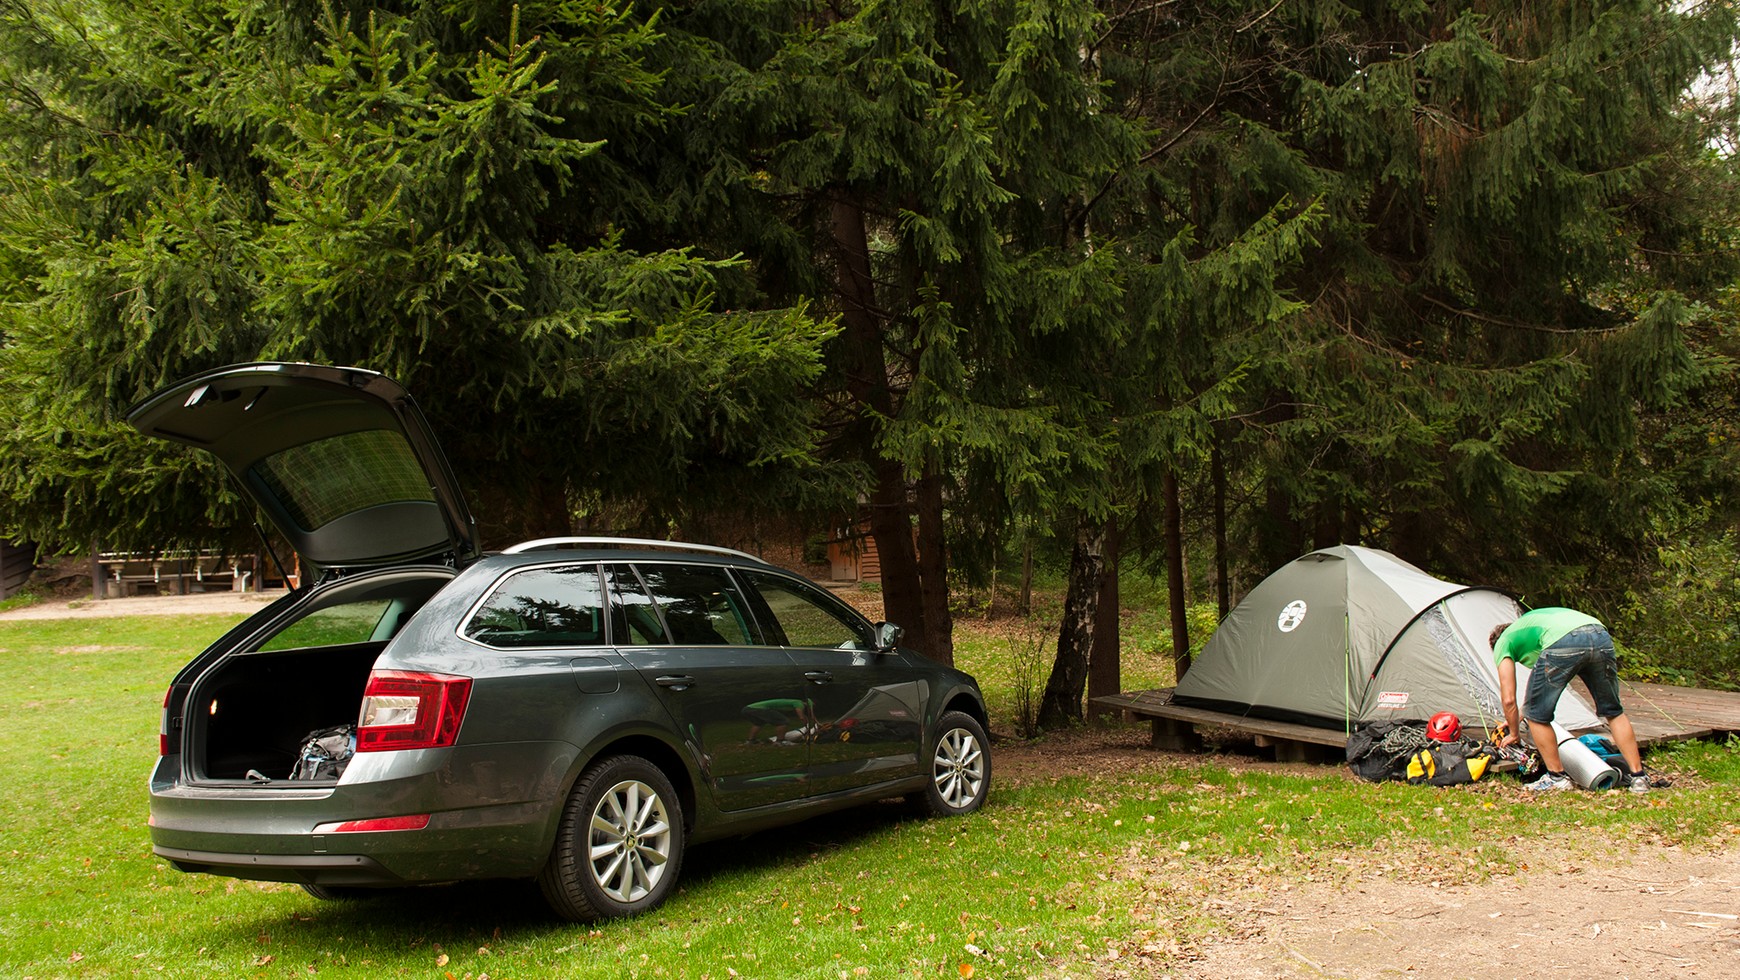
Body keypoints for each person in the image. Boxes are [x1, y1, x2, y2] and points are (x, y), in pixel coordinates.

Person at [1489, 608, 1648, 793]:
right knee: (1613, 711)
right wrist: (1518, 717)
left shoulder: (1503, 642)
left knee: (1537, 717)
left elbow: (1509, 699)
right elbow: (1538, 695)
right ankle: (1639, 778)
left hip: (1564, 640)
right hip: (1599, 633)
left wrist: (1514, 733)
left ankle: (1556, 777)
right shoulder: (1529, 625)